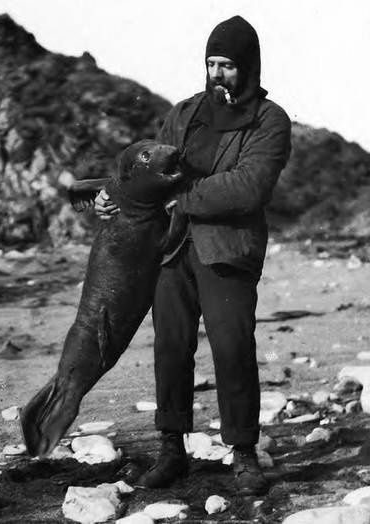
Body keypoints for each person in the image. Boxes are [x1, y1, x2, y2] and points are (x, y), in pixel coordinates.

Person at [95, 15, 291, 495]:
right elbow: (152, 174)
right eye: (211, 63)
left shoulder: (271, 121)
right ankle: (171, 450)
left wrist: (180, 198)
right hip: (173, 250)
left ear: (248, 66)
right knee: (171, 348)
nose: (218, 73)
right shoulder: (182, 114)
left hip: (227, 252)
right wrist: (112, 194)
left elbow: (248, 186)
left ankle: (243, 454)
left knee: (232, 348)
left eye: (227, 65)